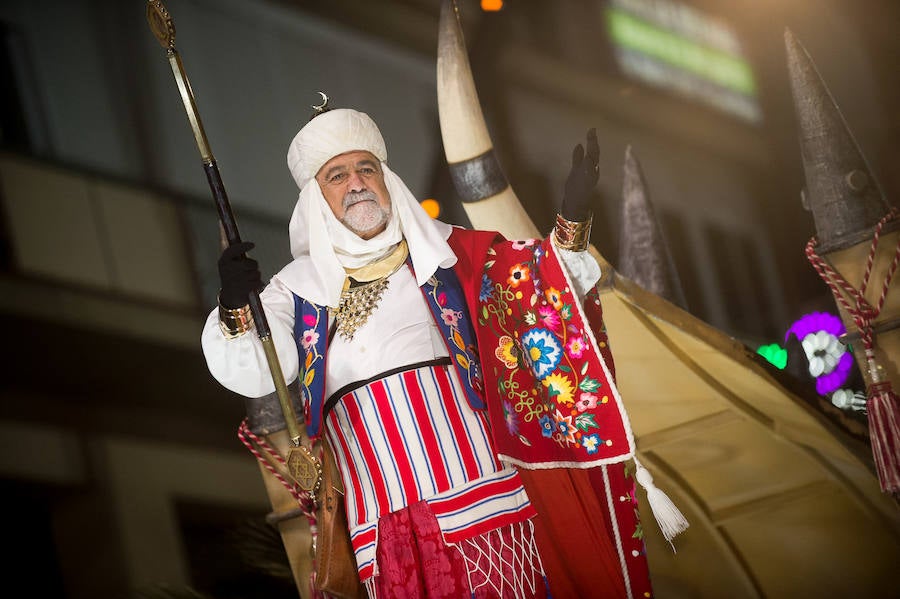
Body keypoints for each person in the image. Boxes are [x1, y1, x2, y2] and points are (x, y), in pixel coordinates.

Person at [202, 107, 657, 598]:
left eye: (366, 168)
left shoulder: (451, 254)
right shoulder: (293, 291)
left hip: (490, 508)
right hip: (384, 534)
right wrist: (234, 305)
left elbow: (542, 292)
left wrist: (572, 219)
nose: (357, 183)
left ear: (386, 179)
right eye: (337, 175)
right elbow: (254, 369)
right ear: (316, 198)